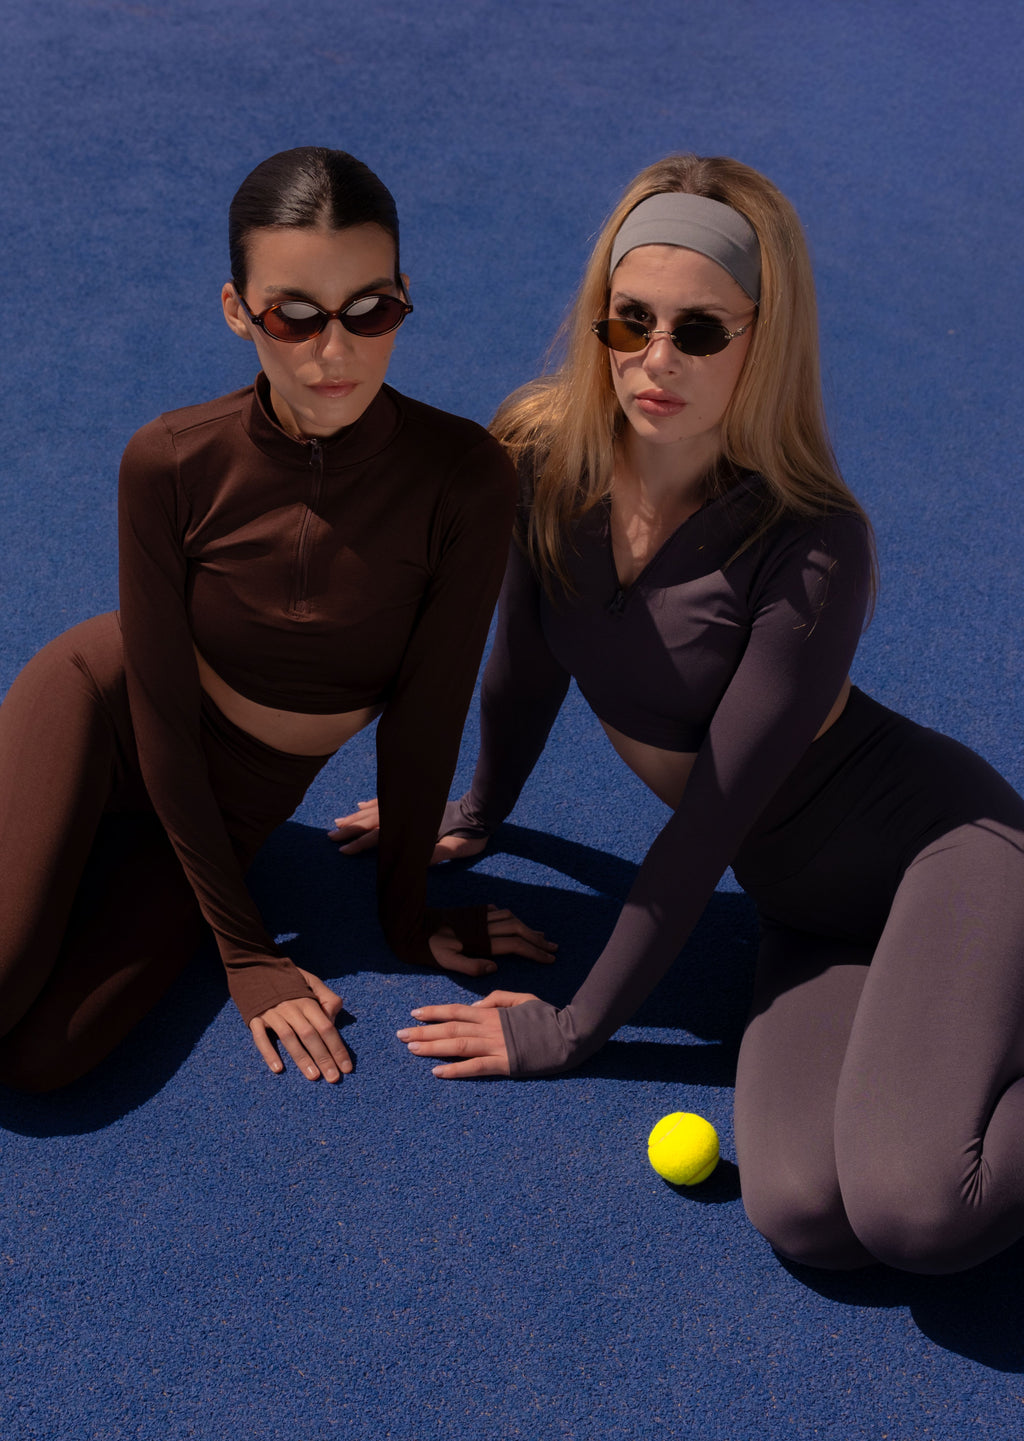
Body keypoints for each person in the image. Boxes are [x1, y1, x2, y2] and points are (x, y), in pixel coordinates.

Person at [338, 154, 1024, 1275]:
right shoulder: (538, 453)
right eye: (630, 322)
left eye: (700, 331)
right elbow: (523, 661)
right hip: (810, 914)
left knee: (917, 1211)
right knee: (802, 1213)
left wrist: (569, 1031)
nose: (656, 360)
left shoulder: (810, 544)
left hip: (941, 857)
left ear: (762, 339)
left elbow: (709, 822)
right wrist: (476, 811)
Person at [0, 145, 553, 1095]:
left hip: (241, 801)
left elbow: (429, 715)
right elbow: (163, 719)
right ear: (237, 311)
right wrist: (247, 950)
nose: (333, 351)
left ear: (403, 296)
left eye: (369, 309)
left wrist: (405, 916)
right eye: (292, 315)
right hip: (107, 716)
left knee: (42, 1061)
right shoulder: (167, 461)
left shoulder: (465, 477)